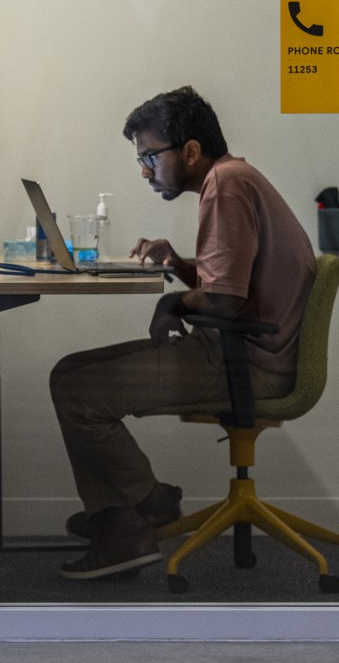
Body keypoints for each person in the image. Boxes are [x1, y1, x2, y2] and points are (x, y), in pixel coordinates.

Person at [48, 86, 316, 580]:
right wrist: (181, 267)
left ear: (190, 151)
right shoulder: (235, 178)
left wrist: (172, 300)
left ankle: (135, 515)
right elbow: (230, 286)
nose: (144, 170)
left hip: (247, 364)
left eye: (150, 156)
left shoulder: (226, 185)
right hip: (240, 350)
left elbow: (224, 302)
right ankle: (132, 509)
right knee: (69, 372)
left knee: (76, 391)